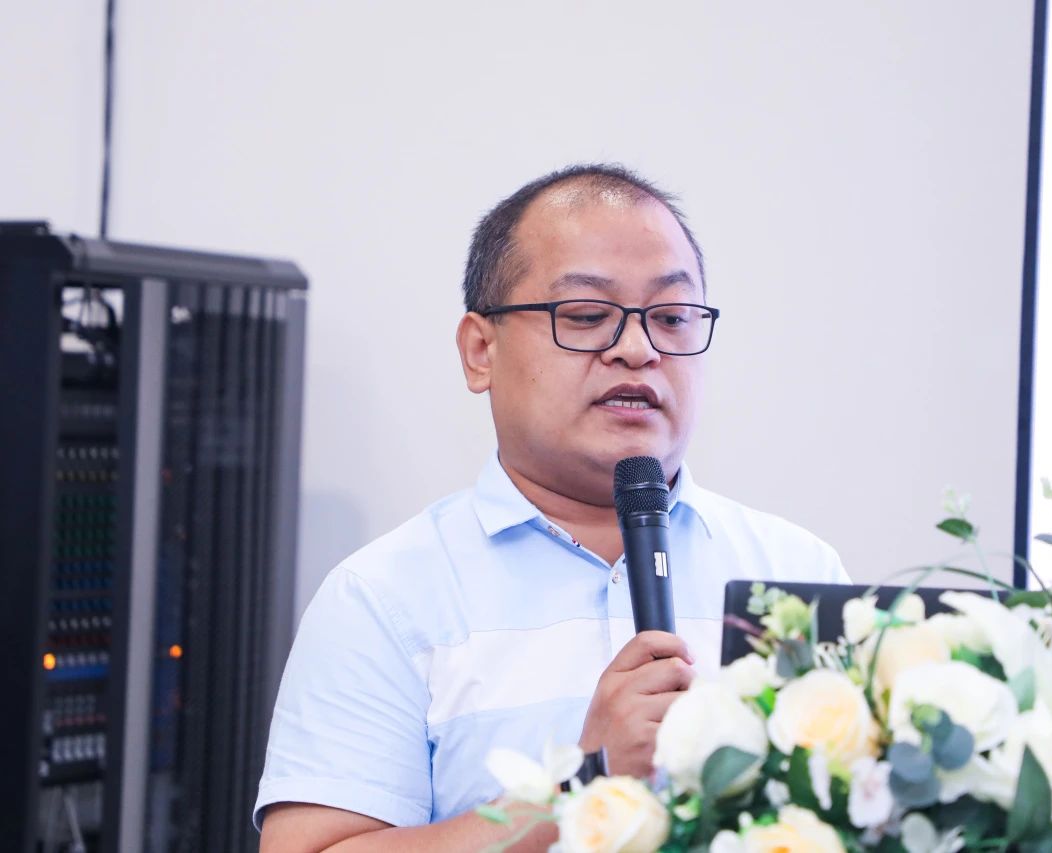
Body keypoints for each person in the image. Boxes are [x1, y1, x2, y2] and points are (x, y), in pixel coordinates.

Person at [256, 164, 847, 851]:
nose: (638, 349)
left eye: (670, 318)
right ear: (481, 351)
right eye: (588, 316)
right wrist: (581, 783)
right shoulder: (384, 598)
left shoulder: (796, 571)